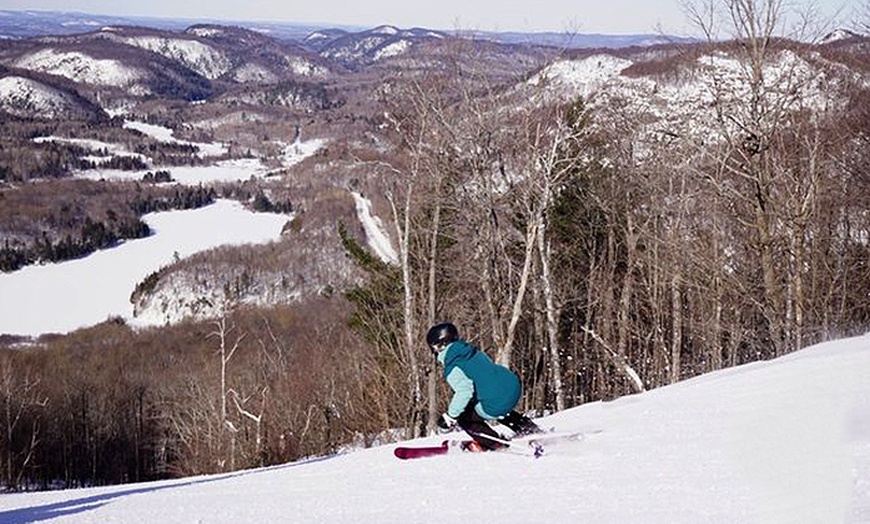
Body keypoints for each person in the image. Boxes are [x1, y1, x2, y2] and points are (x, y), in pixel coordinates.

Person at [427, 322, 541, 451]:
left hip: (497, 399)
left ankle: (494, 444)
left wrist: (450, 417)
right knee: (497, 408)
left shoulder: (452, 366)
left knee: (465, 417)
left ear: (440, 346)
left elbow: (464, 392)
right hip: (512, 387)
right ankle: (530, 429)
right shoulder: (471, 351)